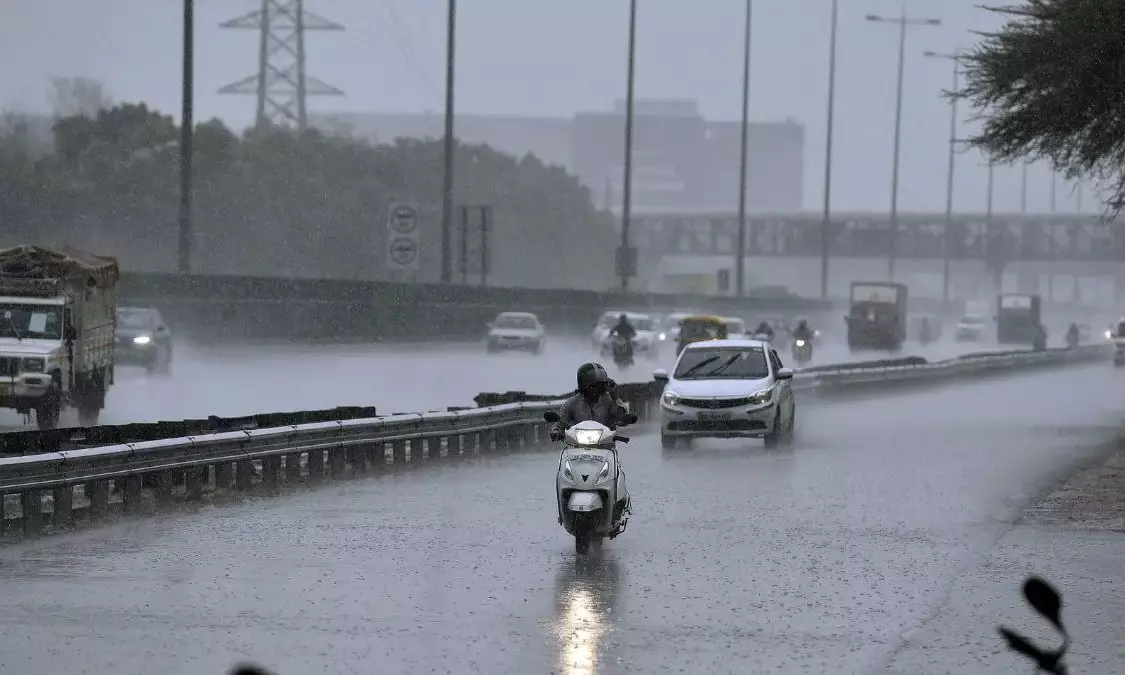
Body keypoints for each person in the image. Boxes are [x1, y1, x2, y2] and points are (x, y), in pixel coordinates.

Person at [550, 363, 632, 515]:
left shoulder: (609, 401)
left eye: (602, 386)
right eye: (594, 386)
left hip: (605, 449)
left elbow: (622, 414)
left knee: (617, 473)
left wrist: (615, 396)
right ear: (584, 385)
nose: (598, 390)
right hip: (577, 451)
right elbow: (560, 421)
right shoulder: (572, 403)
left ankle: (618, 507)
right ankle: (565, 510)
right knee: (562, 473)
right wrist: (556, 430)